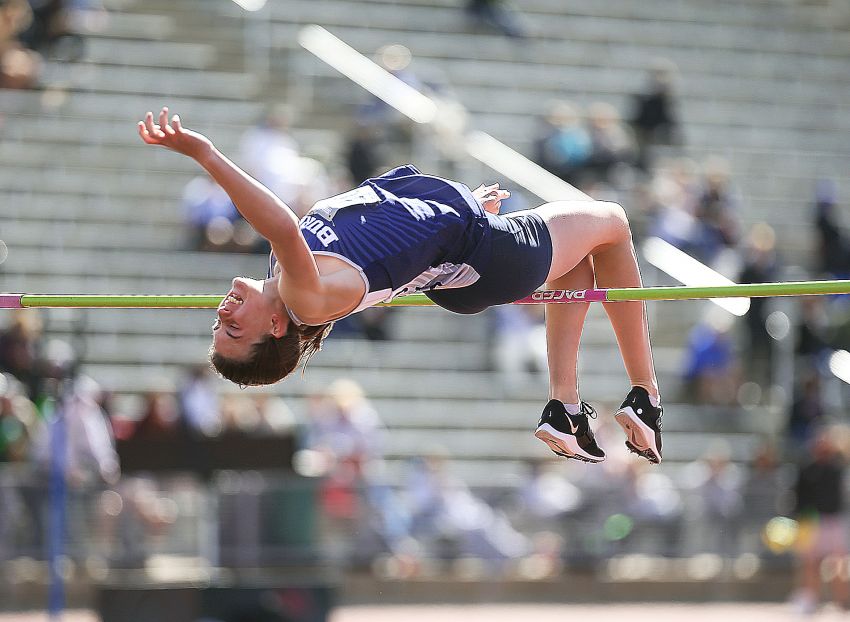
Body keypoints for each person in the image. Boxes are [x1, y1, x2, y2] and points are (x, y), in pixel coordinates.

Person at [137, 107, 663, 464]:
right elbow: (278, 222)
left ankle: (565, 407)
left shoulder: (287, 276)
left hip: (467, 254)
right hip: (483, 255)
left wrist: (457, 207)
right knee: (612, 222)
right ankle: (645, 394)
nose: (222, 314)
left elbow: (380, 226)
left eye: (217, 324)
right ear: (275, 327)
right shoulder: (303, 297)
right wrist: (205, 154)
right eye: (233, 329)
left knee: (573, 261)